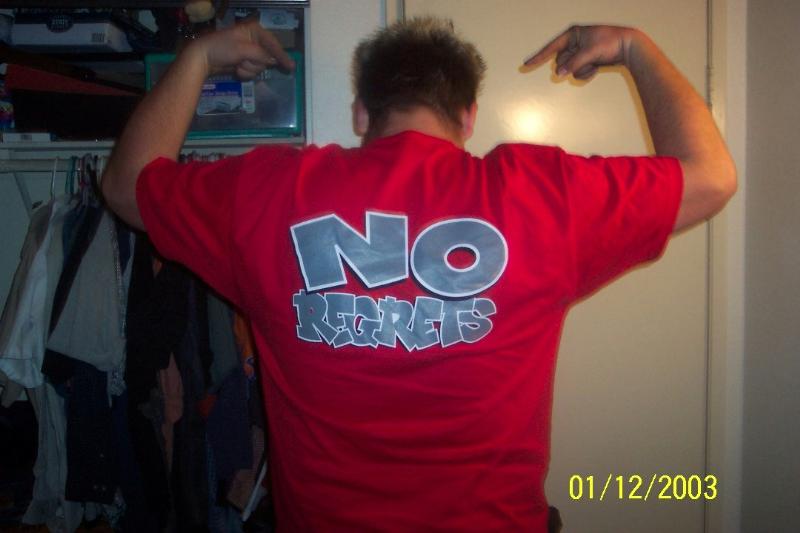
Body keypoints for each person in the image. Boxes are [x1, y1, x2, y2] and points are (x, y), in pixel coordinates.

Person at [102, 16, 735, 533]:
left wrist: (198, 55)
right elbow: (712, 178)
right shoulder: (543, 197)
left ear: (361, 113)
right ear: (468, 116)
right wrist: (635, 47)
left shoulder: (270, 191)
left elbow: (126, 187)